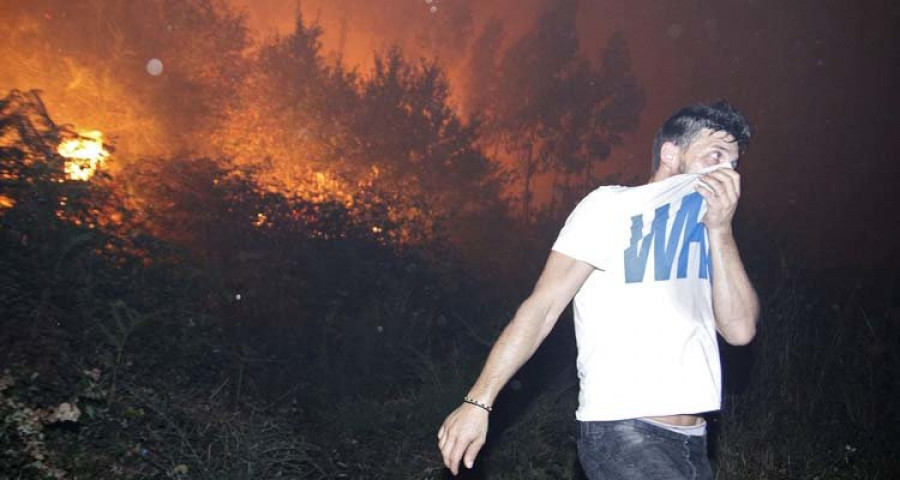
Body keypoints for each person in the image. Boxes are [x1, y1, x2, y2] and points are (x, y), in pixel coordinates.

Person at [437, 101, 759, 479]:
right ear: (671, 153)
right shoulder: (611, 206)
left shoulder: (710, 232)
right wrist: (479, 401)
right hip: (622, 429)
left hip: (692, 441)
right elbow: (542, 307)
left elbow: (740, 331)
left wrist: (720, 230)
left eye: (732, 163)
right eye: (715, 155)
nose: (726, 172)